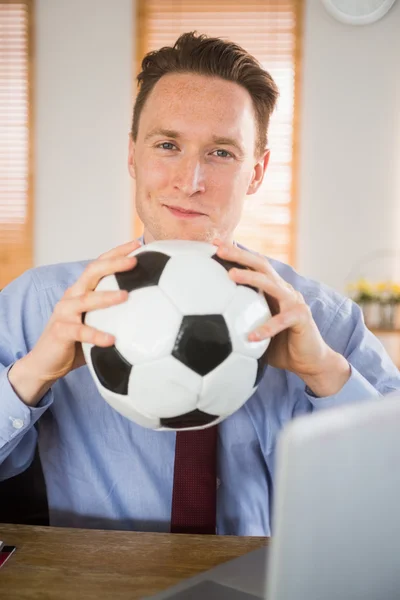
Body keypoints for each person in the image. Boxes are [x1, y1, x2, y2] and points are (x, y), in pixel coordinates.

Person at [1, 32, 399, 536]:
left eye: (221, 153)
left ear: (256, 172)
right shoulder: (42, 305)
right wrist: (31, 376)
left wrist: (325, 372)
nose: (190, 180)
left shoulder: (325, 319)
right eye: (168, 145)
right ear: (132, 156)